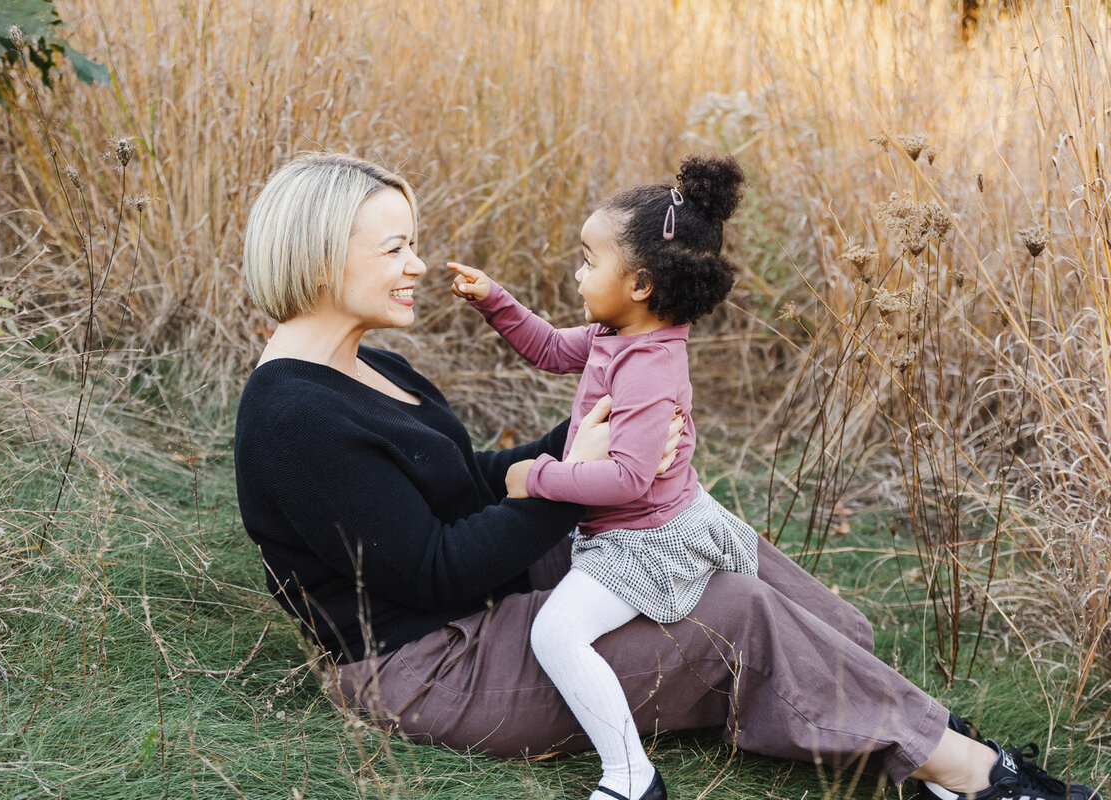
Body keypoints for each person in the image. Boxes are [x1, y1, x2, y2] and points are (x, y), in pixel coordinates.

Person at [233, 151, 1101, 800]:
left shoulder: (368, 365)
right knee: (728, 611)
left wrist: (616, 451)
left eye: (413, 243)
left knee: (698, 536)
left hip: (476, 593)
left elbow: (464, 480)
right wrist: (570, 476)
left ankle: (895, 711)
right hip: (431, 660)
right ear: (318, 257)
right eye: (395, 248)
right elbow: (429, 570)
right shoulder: (294, 420)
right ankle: (973, 773)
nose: (418, 264)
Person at [446, 154, 761, 800]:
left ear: (641, 283)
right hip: (625, 525)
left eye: (590, 261)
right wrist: (495, 301)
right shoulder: (617, 332)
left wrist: (539, 477)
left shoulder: (650, 366)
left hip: (643, 539)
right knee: (561, 620)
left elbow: (626, 482)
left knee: (555, 633)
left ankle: (630, 776)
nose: (578, 273)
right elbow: (552, 349)